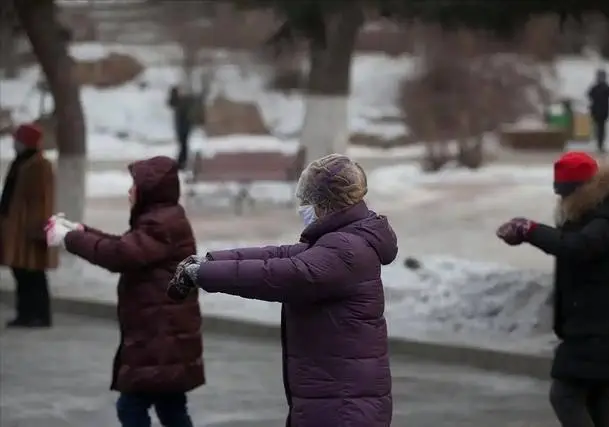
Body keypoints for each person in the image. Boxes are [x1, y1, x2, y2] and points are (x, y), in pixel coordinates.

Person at [168, 154, 397, 427]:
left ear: (328, 203)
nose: (303, 206)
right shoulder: (342, 241)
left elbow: (280, 274)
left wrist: (202, 274)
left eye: (309, 199)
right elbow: (277, 255)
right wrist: (211, 260)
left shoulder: (345, 250)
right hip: (337, 401)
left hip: (342, 409)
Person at [45, 156, 204, 427]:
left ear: (150, 191)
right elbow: (127, 245)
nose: (130, 191)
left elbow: (120, 255)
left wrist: (69, 239)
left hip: (161, 335)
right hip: (164, 333)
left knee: (131, 407)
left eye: (135, 185)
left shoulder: (160, 224)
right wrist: (82, 231)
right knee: (171, 408)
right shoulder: (163, 218)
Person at [496, 151, 609, 427]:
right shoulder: (602, 212)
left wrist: (531, 230)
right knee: (596, 397)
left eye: (565, 194)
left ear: (583, 190)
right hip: (600, 325)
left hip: (599, 329)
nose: (562, 201)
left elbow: (578, 247)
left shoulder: (607, 219)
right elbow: (571, 241)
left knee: (565, 395)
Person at [0, 123, 56, 328]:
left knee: (34, 273)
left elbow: (43, 198)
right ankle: (24, 313)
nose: (15, 144)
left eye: (18, 140)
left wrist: (38, 225)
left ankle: (39, 315)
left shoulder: (40, 164)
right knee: (20, 272)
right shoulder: (21, 161)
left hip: (30, 227)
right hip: (15, 226)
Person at [587, 69, 609, 153]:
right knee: (601, 128)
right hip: (603, 111)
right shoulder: (606, 87)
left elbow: (589, 95)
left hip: (597, 111)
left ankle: (599, 144)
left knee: (598, 128)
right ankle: (600, 144)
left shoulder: (596, 87)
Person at [167, 85, 193, 170]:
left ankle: (182, 162)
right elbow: (170, 102)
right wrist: (174, 93)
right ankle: (182, 161)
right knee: (182, 143)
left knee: (183, 144)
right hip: (181, 124)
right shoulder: (178, 101)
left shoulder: (186, 100)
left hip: (185, 124)